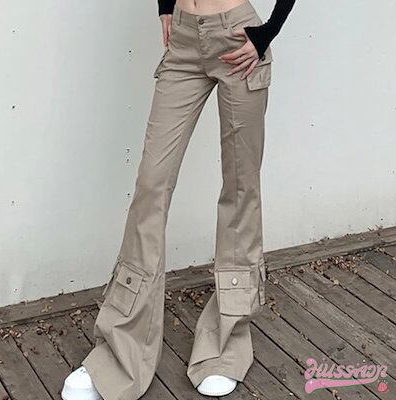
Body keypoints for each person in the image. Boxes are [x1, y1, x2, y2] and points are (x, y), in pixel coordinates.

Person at [61, 0, 296, 399]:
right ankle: (119, 355)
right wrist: (165, 5)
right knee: (151, 188)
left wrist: (268, 31)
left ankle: (225, 346)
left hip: (237, 39)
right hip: (184, 41)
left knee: (240, 189)